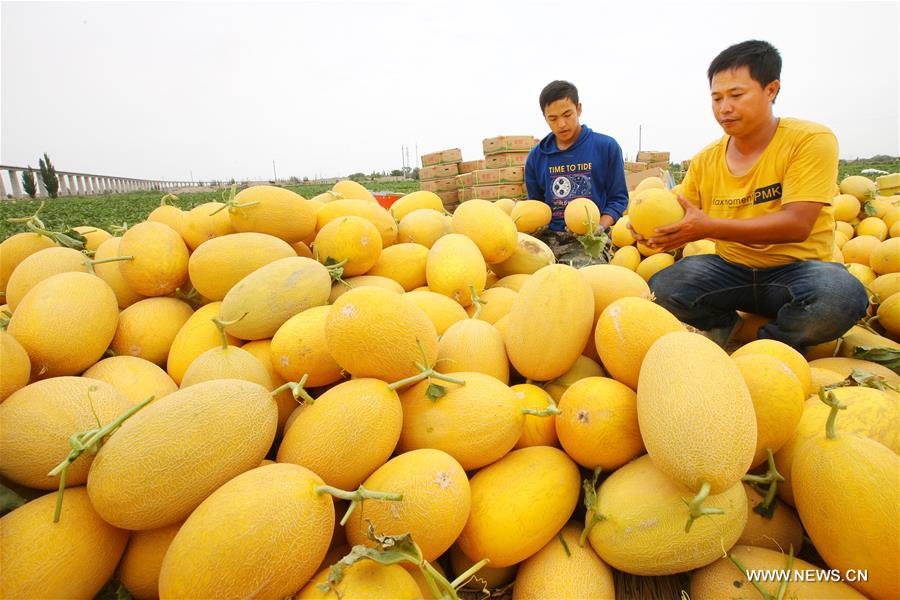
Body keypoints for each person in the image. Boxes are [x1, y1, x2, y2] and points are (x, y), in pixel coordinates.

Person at [634, 40, 868, 351]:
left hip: (799, 270)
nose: (724, 108)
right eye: (716, 98)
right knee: (661, 289)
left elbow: (797, 224)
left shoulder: (810, 140)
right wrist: (656, 233)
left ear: (771, 90)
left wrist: (708, 228)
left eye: (736, 95)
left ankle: (766, 345)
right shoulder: (706, 159)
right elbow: (681, 213)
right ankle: (729, 325)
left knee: (841, 296)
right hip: (731, 270)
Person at [525, 80, 628, 266]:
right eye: (553, 118)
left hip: (587, 241)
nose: (562, 124)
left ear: (579, 109)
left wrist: (600, 226)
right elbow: (536, 205)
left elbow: (618, 199)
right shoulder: (536, 157)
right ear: (545, 118)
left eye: (567, 114)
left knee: (578, 281)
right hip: (547, 239)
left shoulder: (606, 147)